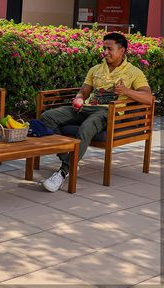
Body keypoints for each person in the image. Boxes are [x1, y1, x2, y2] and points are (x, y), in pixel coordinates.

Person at [40, 32, 153, 193]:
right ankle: (68, 157)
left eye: (109, 49)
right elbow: (84, 91)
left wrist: (126, 91)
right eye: (104, 48)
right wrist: (79, 98)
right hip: (86, 108)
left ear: (122, 51)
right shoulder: (96, 69)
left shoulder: (134, 72)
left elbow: (148, 98)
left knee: (87, 127)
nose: (105, 52)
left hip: (109, 113)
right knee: (47, 117)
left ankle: (63, 172)